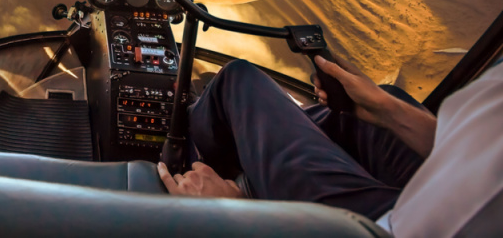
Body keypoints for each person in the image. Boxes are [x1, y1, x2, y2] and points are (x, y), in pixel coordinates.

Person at [157, 55, 503, 237]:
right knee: (380, 104)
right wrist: (386, 109)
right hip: (441, 194)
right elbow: (479, 148)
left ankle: (186, 165)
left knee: (238, 81)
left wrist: (236, 217)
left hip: (380, 229)